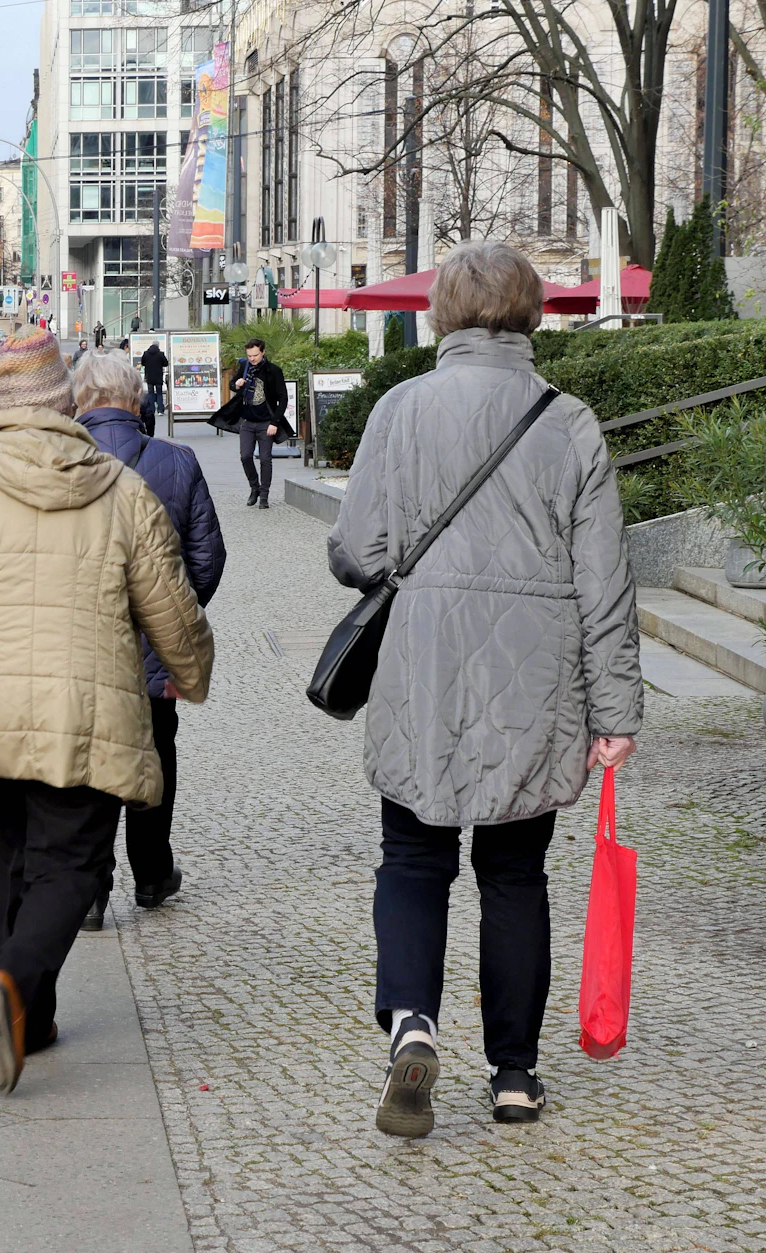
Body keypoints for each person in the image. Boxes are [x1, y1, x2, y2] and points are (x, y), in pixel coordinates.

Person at [327, 241, 642, 1137]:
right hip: (534, 677)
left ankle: (412, 1024)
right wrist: (615, 712)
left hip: (423, 663)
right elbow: (605, 579)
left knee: (415, 857)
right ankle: (513, 1073)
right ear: (531, 311)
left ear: (444, 314)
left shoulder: (399, 408)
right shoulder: (569, 420)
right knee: (514, 874)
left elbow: (359, 551)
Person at [0, 329, 213, 1095]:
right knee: (73, 862)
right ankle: (12, 982)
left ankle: (29, 1016)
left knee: (4, 851)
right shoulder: (120, 487)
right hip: (86, 704)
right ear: (63, 398)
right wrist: (194, 673)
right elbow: (168, 609)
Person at [70, 352, 225, 929]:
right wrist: (170, 620)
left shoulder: (58, 461)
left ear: (79, 401)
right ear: (137, 400)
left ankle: (88, 889)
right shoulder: (176, 461)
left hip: (78, 650)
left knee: (86, 762)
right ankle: (153, 874)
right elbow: (208, 559)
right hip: (155, 653)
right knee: (156, 757)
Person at [223, 338, 287, 508]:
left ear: (263, 352)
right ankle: (255, 487)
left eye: (255, 355)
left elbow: (283, 398)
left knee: (265, 459)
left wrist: (275, 422)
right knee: (245, 456)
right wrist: (236, 384)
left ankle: (264, 495)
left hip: (266, 422)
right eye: (249, 355)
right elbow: (232, 385)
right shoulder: (244, 368)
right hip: (247, 421)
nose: (252, 358)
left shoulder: (273, 371)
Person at [140, 340, 168, 416]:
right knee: (159, 393)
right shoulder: (160, 354)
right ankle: (160, 410)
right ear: (158, 346)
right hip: (158, 376)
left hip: (149, 376)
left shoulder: (146, 353)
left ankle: (151, 410)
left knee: (150, 393)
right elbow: (166, 363)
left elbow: (142, 363)